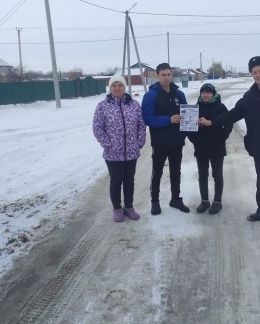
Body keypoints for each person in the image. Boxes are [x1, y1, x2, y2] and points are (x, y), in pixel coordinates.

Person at [198, 56, 260, 229]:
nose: (257, 75)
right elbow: (234, 113)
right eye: (254, 72)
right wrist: (212, 122)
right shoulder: (250, 95)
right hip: (258, 146)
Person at [93, 75, 146, 223]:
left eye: (120, 85)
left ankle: (129, 207)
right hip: (112, 153)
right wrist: (107, 144)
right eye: (114, 85)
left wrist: (139, 142)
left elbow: (141, 125)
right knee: (116, 181)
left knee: (129, 181)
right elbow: (97, 127)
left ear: (124, 87)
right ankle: (117, 208)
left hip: (131, 151)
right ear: (110, 88)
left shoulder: (134, 105)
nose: (117, 88)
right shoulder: (102, 106)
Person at [142, 63, 190, 215]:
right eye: (163, 75)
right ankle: (155, 201)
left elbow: (187, 115)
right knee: (157, 172)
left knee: (176, 171)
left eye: (169, 74)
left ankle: (175, 199)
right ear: (157, 76)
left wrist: (191, 123)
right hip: (160, 141)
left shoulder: (179, 95)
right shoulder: (150, 96)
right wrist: (168, 120)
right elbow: (147, 119)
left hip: (176, 141)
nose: (166, 77)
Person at [188, 83, 233, 215]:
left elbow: (229, 123)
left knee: (217, 174)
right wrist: (194, 139)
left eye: (208, 92)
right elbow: (189, 127)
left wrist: (221, 137)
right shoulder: (195, 108)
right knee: (202, 174)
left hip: (217, 147)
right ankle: (204, 201)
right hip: (201, 147)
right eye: (203, 92)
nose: (205, 94)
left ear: (213, 94)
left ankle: (217, 201)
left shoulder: (221, 107)